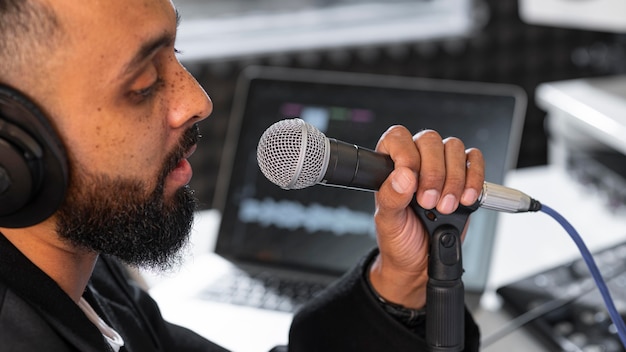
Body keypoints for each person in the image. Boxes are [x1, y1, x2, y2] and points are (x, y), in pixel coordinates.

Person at [0, 0, 484, 351]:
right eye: (144, 84)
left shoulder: (85, 272)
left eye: (177, 52)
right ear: (12, 149)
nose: (198, 101)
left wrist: (403, 284)